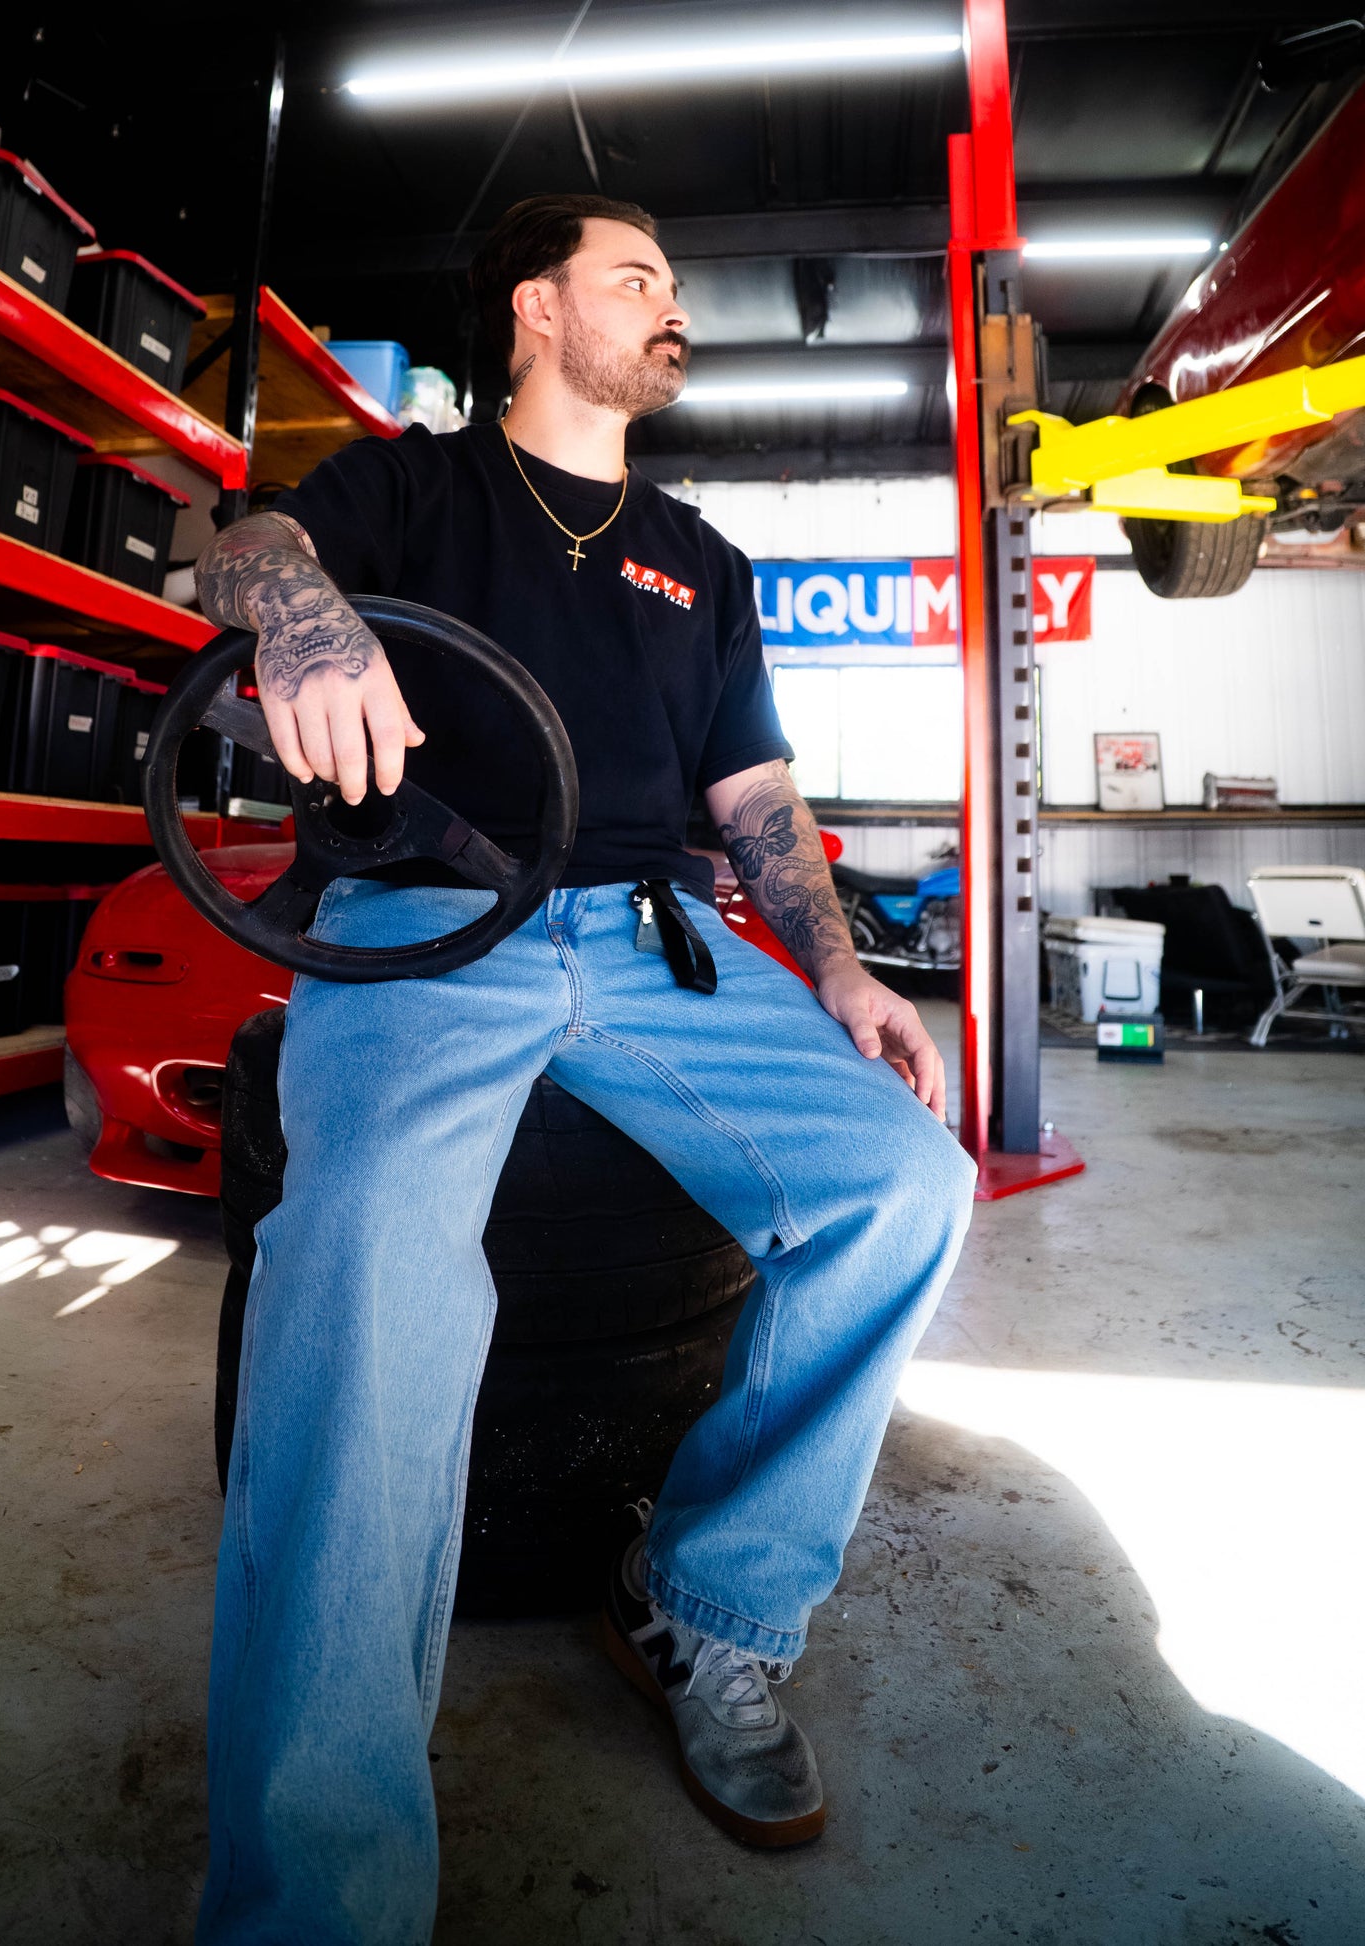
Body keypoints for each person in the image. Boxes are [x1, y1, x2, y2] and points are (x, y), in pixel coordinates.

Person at [193, 192, 977, 1946]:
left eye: (675, 286)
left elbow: (751, 803)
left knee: (908, 1186)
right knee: (374, 1281)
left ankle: (708, 1603)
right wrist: (303, 619)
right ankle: (319, 1899)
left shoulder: (699, 556)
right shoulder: (410, 486)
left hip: (652, 943)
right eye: (639, 279)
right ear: (537, 310)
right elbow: (239, 544)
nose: (671, 305)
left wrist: (842, 974)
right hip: (422, 927)